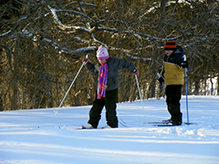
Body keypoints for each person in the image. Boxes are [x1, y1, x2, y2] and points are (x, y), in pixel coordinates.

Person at [82, 45, 139, 129]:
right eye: (99, 59)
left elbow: (125, 63)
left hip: (111, 89)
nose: (101, 61)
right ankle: (92, 123)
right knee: (96, 107)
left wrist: (133, 69)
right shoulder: (99, 66)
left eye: (102, 59)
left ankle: (112, 124)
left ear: (106, 57)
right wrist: (87, 64)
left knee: (110, 108)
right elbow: (94, 70)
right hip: (101, 90)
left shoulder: (114, 62)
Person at [158, 41, 189, 125]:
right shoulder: (167, 57)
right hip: (169, 82)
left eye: (169, 50)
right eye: (166, 50)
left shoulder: (178, 57)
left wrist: (184, 64)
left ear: (173, 50)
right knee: (169, 102)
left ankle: (177, 119)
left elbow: (185, 67)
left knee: (174, 102)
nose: (167, 52)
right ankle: (173, 118)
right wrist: (162, 77)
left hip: (176, 82)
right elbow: (166, 70)